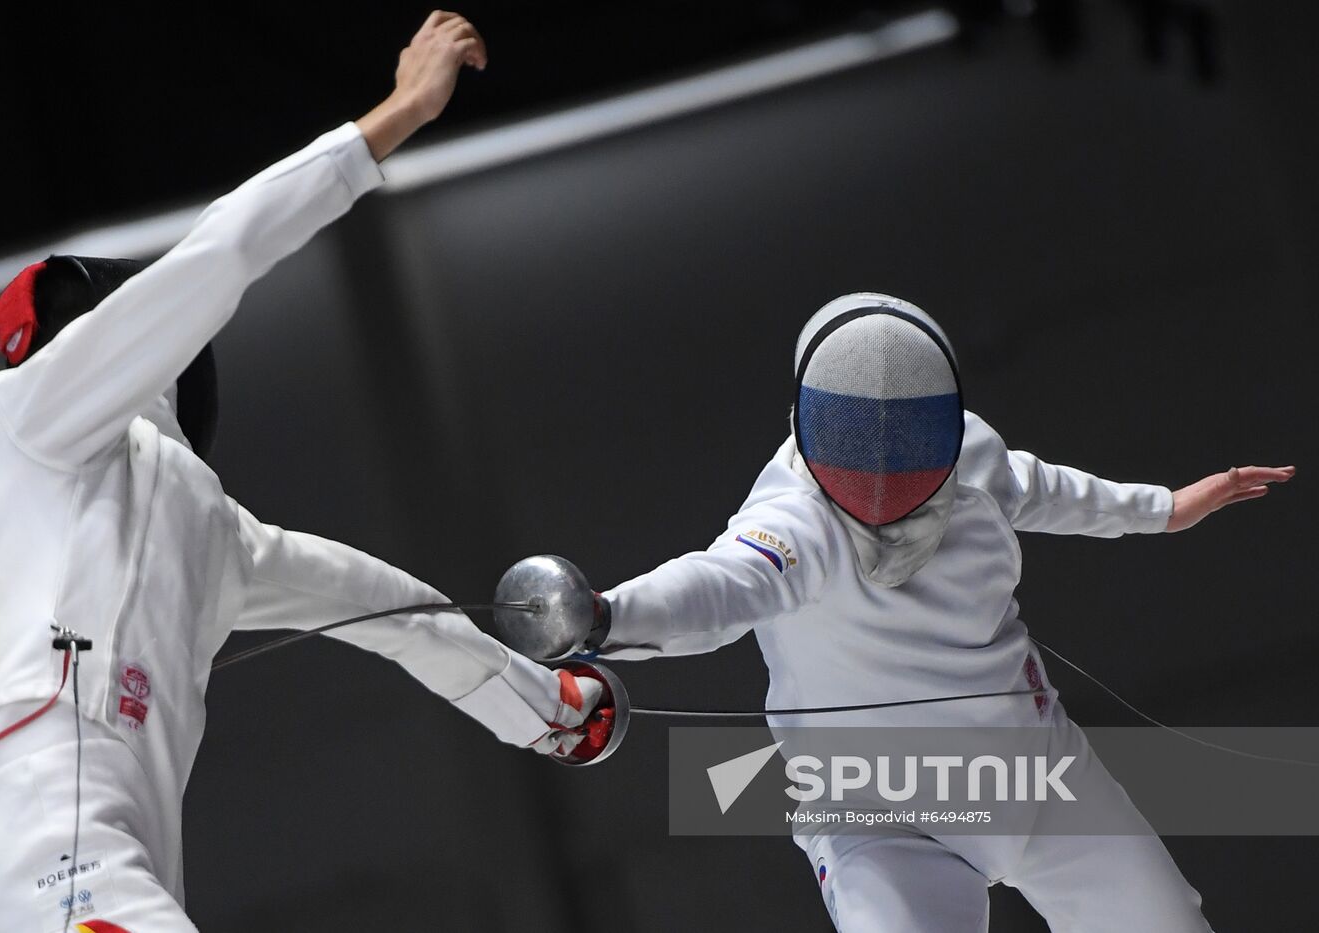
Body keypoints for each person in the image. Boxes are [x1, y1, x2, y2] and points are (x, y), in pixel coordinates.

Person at [0, 12, 609, 932]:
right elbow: (224, 252)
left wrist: (549, 710)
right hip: (51, 866)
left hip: (39, 878)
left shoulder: (214, 533)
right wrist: (397, 115)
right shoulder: (19, 419)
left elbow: (397, 610)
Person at [555, 292, 1294, 931]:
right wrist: (604, 616)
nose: (882, 478)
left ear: (941, 424)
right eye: (859, 453)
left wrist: (1165, 508)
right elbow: (717, 587)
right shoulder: (792, 520)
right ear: (815, 433)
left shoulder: (975, 458)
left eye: (907, 447)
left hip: (1036, 776)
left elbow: (1056, 491)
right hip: (883, 816)